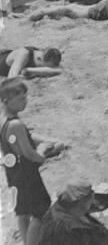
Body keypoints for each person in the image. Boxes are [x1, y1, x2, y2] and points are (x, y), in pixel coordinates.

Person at [0, 77, 56, 245]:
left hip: (12, 172)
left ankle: (25, 241)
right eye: (21, 99)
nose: (25, 102)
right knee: (41, 213)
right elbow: (29, 154)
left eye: (26, 97)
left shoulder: (2, 120)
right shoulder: (16, 124)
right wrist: (43, 153)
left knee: (22, 213)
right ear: (6, 101)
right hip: (27, 174)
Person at [33, 182, 108, 245]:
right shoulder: (72, 230)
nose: (92, 198)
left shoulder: (61, 209)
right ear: (80, 203)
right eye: (89, 197)